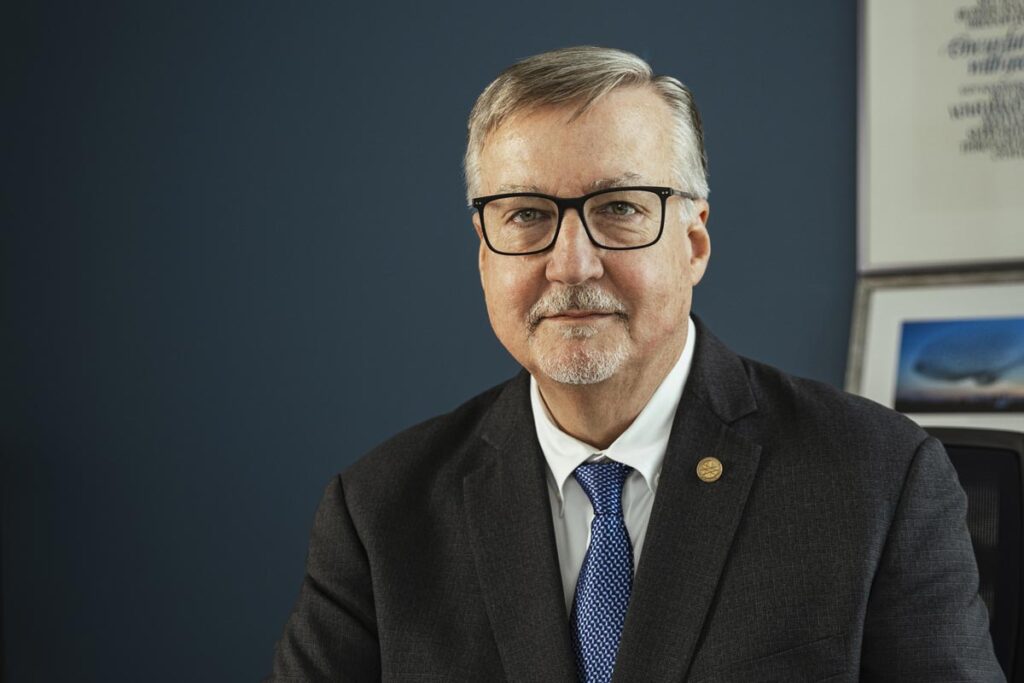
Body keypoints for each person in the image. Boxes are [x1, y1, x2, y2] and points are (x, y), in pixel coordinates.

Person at [268, 46, 1003, 682]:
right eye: (525, 214)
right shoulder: (377, 513)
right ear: (484, 251)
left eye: (618, 207)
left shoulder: (878, 479)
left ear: (694, 243)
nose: (570, 263)